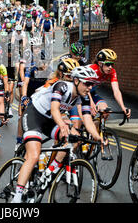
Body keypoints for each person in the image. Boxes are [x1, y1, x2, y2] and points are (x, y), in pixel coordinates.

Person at [11, 65, 99, 203]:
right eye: (87, 83)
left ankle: (50, 170)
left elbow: (87, 119)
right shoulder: (62, 86)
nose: (90, 87)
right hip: (34, 115)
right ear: (76, 81)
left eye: (92, 84)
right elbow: (54, 109)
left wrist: (98, 137)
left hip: (49, 121)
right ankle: (17, 197)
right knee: (34, 155)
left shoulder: (84, 96)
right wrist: (63, 125)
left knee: (74, 139)